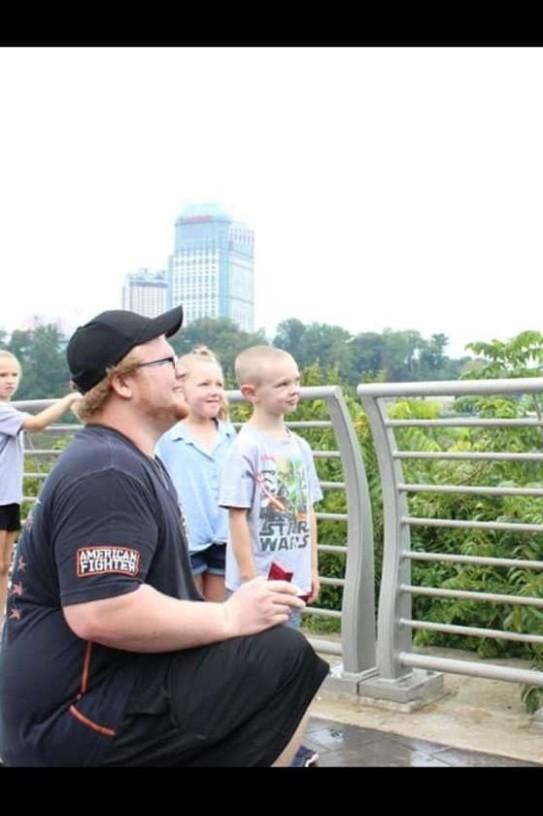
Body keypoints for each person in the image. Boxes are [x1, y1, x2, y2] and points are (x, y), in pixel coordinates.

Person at [0, 308, 328, 766]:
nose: (181, 374)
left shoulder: (127, 458)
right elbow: (101, 611)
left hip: (91, 697)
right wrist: (228, 616)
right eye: (168, 363)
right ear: (123, 382)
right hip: (70, 719)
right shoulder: (106, 471)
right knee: (282, 655)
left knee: (266, 652)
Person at [219, 345, 323, 767]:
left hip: (291, 581)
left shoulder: (299, 447)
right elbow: (237, 517)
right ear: (251, 393)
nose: (293, 390)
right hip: (260, 582)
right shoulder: (245, 447)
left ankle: (282, 747)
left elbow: (308, 511)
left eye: (295, 381)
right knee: (259, 669)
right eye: (282, 384)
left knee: (284, 665)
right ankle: (262, 749)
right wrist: (250, 580)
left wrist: (312, 569)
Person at [0, 349, 81, 615]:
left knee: (4, 565)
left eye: (14, 375)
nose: (9, 380)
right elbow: (37, 423)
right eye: (2, 375)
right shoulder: (3, 412)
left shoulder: (8, 410)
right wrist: (69, 399)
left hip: (9, 496)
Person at [156, 346, 236, 602]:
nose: (214, 391)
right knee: (189, 608)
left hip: (224, 536)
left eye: (219, 384)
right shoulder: (167, 435)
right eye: (204, 384)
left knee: (219, 611)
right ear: (181, 388)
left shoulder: (229, 433)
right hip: (185, 540)